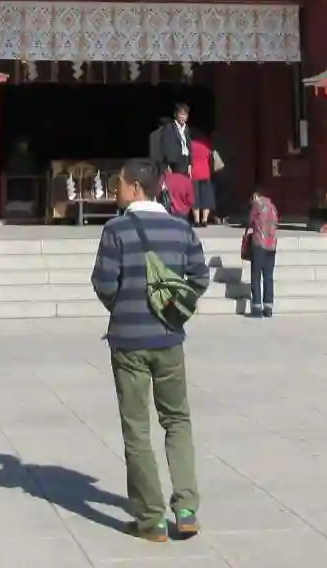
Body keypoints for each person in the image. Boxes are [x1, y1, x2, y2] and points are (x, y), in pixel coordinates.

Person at [90, 158, 210, 544]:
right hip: (169, 339)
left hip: (128, 342)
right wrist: (173, 306)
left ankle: (151, 519)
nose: (116, 190)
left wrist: (124, 307)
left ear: (136, 188)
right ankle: (187, 509)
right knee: (177, 420)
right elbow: (200, 276)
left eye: (120, 184)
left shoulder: (116, 230)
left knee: (137, 428)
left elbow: (104, 282)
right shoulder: (181, 228)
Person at [152, 104, 194, 217]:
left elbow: (189, 146)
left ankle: (183, 211)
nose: (183, 117)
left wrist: (190, 164)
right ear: (176, 115)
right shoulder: (169, 129)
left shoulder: (186, 129)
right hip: (175, 162)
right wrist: (167, 164)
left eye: (185, 114)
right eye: (181, 114)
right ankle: (173, 211)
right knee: (174, 187)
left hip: (185, 160)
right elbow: (165, 146)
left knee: (185, 187)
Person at [244, 187, 280, 318]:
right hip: (272, 244)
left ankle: (257, 307)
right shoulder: (273, 207)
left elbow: (250, 221)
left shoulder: (256, 205)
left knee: (256, 275)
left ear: (255, 196)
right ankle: (268, 307)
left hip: (259, 243)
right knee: (268, 277)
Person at [188, 132, 215, 228]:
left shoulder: (189, 145)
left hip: (193, 174)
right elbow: (211, 158)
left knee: (195, 197)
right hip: (205, 173)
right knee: (206, 196)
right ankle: (204, 220)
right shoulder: (206, 144)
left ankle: (196, 220)